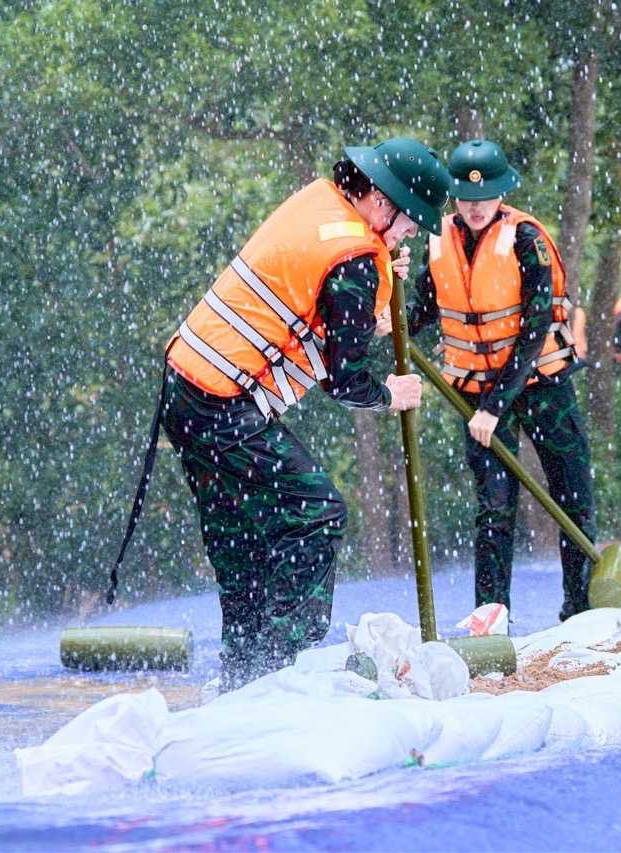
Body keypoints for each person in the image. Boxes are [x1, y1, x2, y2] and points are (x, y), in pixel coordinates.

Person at [157, 137, 449, 692]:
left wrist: (374, 290)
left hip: (186, 387)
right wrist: (390, 394)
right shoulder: (355, 259)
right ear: (382, 203)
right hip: (222, 405)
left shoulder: (323, 205)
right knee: (317, 513)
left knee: (242, 540)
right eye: (410, 223)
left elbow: (320, 314)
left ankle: (242, 679)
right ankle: (274, 671)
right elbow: (346, 378)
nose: (410, 234)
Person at [407, 139, 595, 623]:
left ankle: (581, 609)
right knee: (493, 508)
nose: (475, 206)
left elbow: (535, 329)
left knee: (573, 495)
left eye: (485, 196)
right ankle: (491, 617)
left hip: (542, 384)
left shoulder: (528, 240)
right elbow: (424, 307)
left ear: (502, 193)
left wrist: (495, 407)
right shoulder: (438, 238)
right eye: (467, 197)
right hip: (475, 391)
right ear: (454, 196)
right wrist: (393, 323)